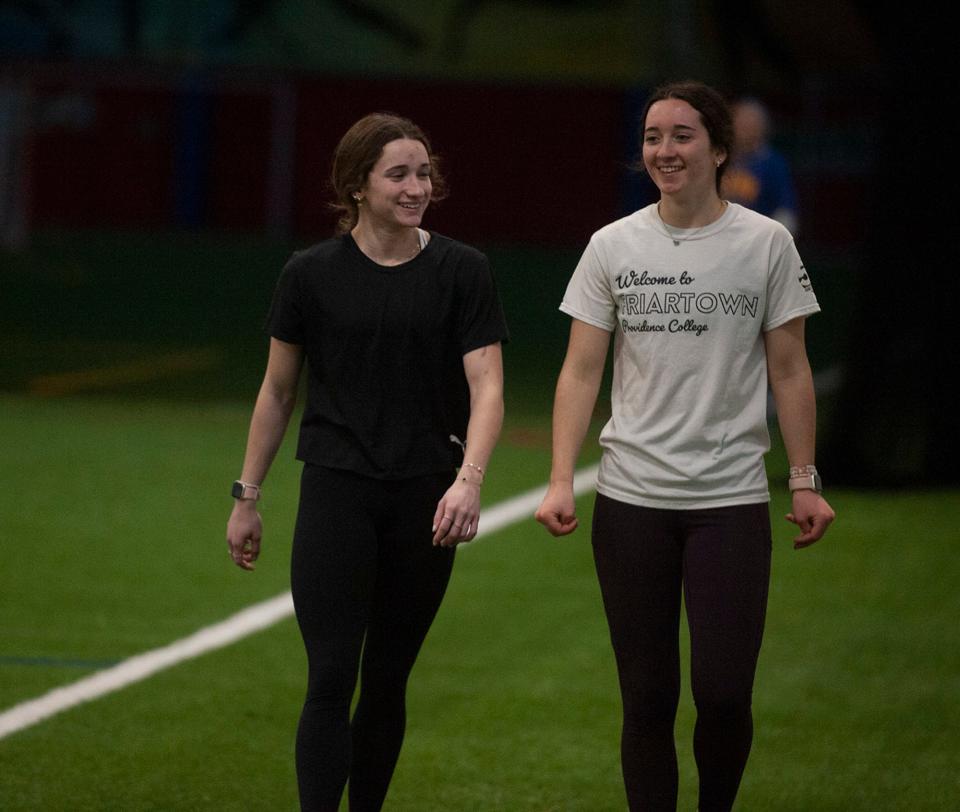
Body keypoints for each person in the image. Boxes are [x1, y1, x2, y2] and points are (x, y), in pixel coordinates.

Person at [535, 81, 835, 811]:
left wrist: (802, 478)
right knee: (646, 700)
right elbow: (580, 371)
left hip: (729, 500)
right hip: (632, 501)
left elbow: (790, 369)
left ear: (720, 148)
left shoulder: (766, 243)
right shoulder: (613, 244)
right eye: (651, 137)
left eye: (681, 135)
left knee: (725, 695)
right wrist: (557, 478)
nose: (663, 151)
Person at [225, 112, 508, 811]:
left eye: (424, 172)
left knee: (386, 680)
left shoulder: (462, 270)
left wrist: (469, 482)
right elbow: (277, 390)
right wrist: (246, 495)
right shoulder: (310, 274)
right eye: (399, 174)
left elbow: (488, 387)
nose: (417, 187)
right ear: (357, 185)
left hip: (425, 498)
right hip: (336, 492)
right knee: (329, 678)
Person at [722, 96, 799, 234]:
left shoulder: (773, 164)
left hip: (756, 239)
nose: (746, 129)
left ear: (763, 127)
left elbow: (785, 213)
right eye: (742, 123)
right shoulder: (717, 159)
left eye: (751, 125)